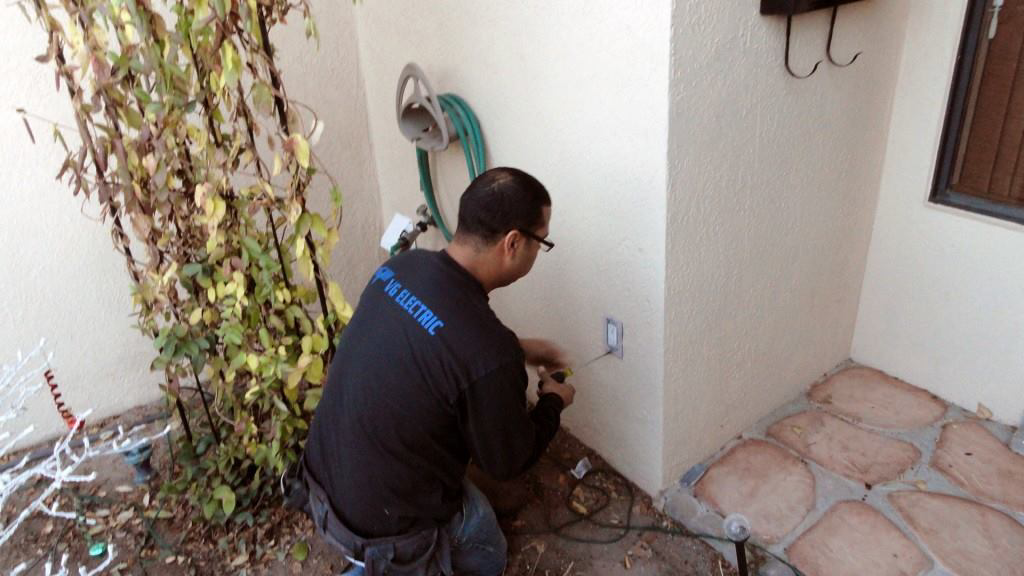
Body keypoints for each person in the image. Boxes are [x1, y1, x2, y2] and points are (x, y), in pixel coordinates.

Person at [303, 167, 576, 576]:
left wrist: (518, 350)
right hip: (381, 530)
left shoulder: (403, 268)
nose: (539, 251)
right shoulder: (488, 350)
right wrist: (554, 400)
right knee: (487, 548)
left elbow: (438, 339)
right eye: (542, 241)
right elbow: (507, 461)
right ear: (513, 243)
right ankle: (382, 567)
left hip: (321, 484)